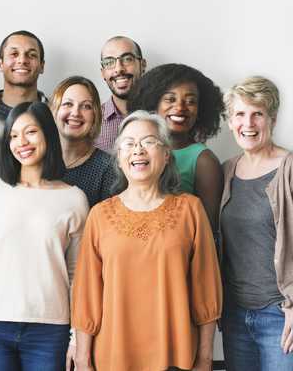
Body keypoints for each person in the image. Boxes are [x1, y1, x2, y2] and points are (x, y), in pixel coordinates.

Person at [71, 111, 222, 371]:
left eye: (149, 142)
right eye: (129, 144)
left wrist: (205, 358)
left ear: (166, 156)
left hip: (176, 357)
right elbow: (87, 295)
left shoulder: (190, 210)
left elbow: (206, 289)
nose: (138, 150)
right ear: (118, 159)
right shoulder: (100, 215)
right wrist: (83, 360)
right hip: (113, 356)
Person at [0, 102, 88, 370]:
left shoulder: (74, 198)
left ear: (48, 135)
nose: (22, 142)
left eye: (30, 132)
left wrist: (77, 335)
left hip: (50, 329)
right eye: (14, 135)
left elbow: (78, 274)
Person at [219, 76, 293, 369]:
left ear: (272, 119)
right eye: (240, 114)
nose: (247, 123)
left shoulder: (289, 168)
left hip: (280, 315)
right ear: (230, 121)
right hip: (236, 315)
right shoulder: (227, 171)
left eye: (257, 114)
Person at [128, 63, 224, 229]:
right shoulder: (136, 151)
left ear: (200, 110)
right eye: (170, 99)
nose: (180, 107)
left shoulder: (204, 160)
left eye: (191, 101)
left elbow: (209, 230)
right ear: (153, 104)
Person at [0, 30, 49, 179]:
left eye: (31, 55)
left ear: (42, 65)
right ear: (0, 63)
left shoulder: (58, 117)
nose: (22, 60)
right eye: (14, 54)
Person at [51, 76, 116, 207]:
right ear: (54, 111)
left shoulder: (108, 169)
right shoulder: (36, 159)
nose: (75, 113)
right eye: (68, 104)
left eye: (86, 106)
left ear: (95, 115)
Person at [96, 36, 147, 152]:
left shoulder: (161, 116)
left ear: (143, 65)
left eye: (127, 59)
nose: (119, 69)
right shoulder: (92, 121)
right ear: (103, 73)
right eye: (109, 62)